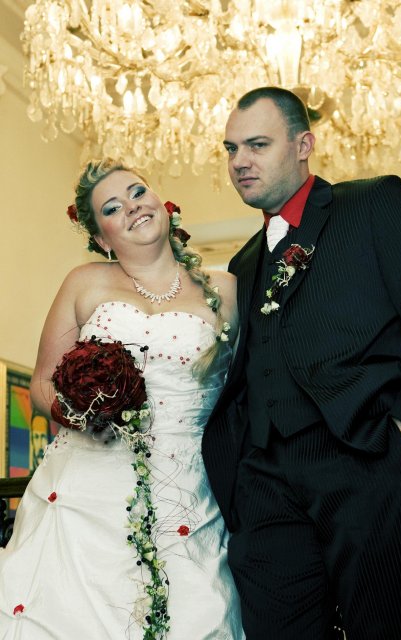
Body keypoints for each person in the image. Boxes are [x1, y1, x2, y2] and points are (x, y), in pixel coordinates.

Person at [202, 86, 401, 640]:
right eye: (231, 149)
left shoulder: (370, 204)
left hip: (365, 459)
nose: (239, 161)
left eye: (257, 145)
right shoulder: (244, 262)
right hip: (264, 484)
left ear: (304, 145)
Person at [0, 159, 243, 640]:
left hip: (187, 487)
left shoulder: (227, 290)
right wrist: (86, 413)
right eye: (112, 208)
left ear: (163, 203)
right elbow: (43, 385)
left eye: (137, 192)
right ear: (102, 238)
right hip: (88, 481)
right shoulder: (84, 281)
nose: (132, 208)